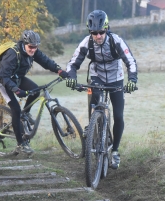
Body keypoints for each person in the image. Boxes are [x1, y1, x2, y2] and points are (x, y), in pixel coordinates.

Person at [65, 10, 138, 169]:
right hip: (96, 76)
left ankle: (115, 151)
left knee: (118, 115)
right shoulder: (86, 42)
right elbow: (72, 64)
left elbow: (130, 61)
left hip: (115, 77)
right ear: (90, 32)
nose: (98, 36)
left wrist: (132, 80)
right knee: (95, 103)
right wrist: (71, 77)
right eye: (94, 33)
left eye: (101, 32)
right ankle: (92, 126)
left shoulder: (116, 41)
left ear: (107, 29)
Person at [0, 30, 68, 155]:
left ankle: (25, 115)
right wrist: (16, 90)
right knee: (16, 109)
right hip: (3, 81)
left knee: (35, 91)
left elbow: (45, 61)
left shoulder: (33, 51)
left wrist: (58, 70)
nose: (33, 50)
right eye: (31, 47)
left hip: (16, 77)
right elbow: (3, 76)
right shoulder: (13, 54)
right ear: (24, 43)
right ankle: (20, 144)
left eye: (36, 47)